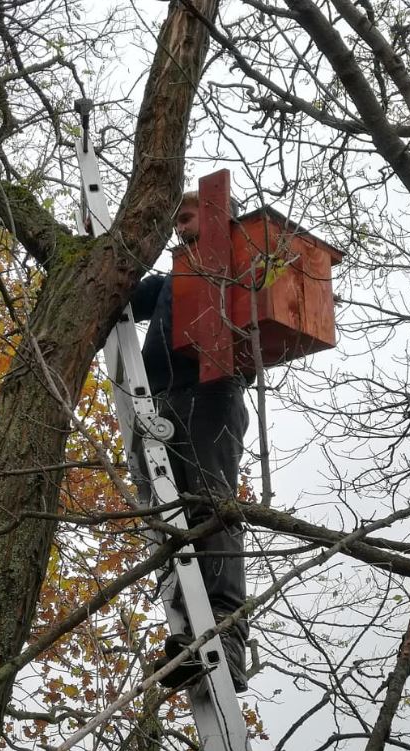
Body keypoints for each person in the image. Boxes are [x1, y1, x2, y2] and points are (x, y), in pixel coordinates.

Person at [131, 192, 251, 692]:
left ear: (217, 215)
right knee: (166, 515)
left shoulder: (238, 260)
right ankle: (189, 630)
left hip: (211, 388)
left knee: (209, 508)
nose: (180, 228)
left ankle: (226, 635)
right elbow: (115, 290)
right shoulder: (168, 283)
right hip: (158, 399)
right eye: (175, 221)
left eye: (187, 217)